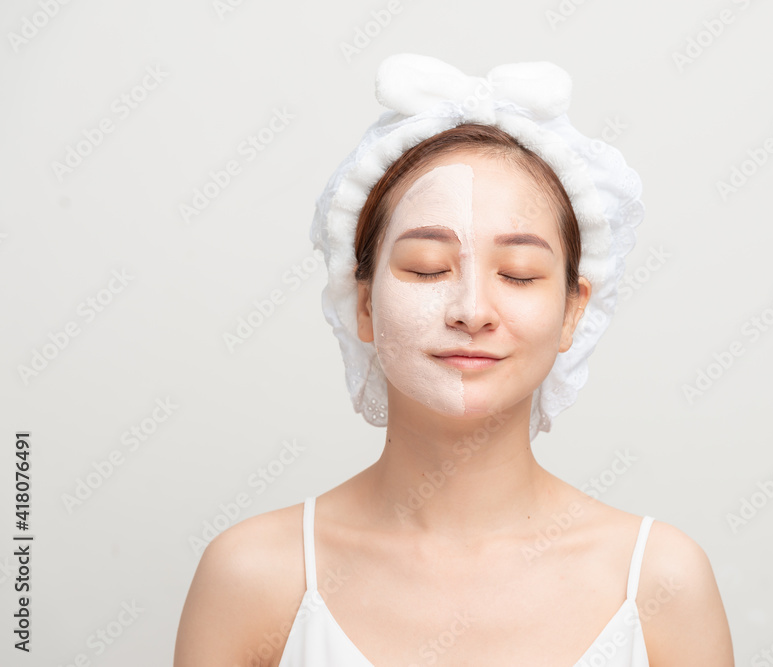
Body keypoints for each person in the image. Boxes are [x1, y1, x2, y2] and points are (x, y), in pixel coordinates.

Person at [174, 54, 734, 667]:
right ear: (363, 303)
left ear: (573, 311)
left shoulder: (659, 583)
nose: (472, 310)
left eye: (518, 274)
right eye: (426, 269)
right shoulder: (254, 577)